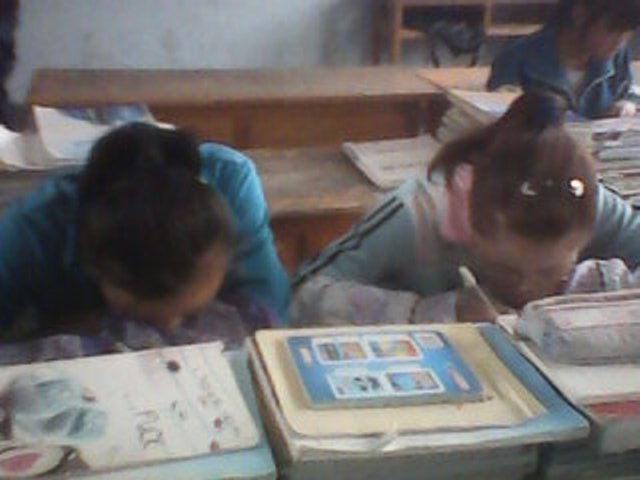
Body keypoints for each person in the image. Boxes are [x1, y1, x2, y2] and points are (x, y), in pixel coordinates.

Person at [290, 91, 640, 326]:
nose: (526, 290)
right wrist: (430, 312)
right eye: (506, 270)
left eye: (551, 271)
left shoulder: (584, 202)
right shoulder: (413, 215)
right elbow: (300, 295)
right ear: (472, 219)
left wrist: (594, 284)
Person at [0, 123, 289, 338]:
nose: (169, 328)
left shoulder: (231, 180)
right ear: (92, 263)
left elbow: (267, 310)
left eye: (191, 313)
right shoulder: (29, 231)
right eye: (139, 317)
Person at [487, 0, 640, 119]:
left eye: (628, 32)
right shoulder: (518, 57)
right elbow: (499, 121)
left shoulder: (617, 56)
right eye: (612, 30)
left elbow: (629, 91)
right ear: (580, 15)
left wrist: (627, 105)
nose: (620, 41)